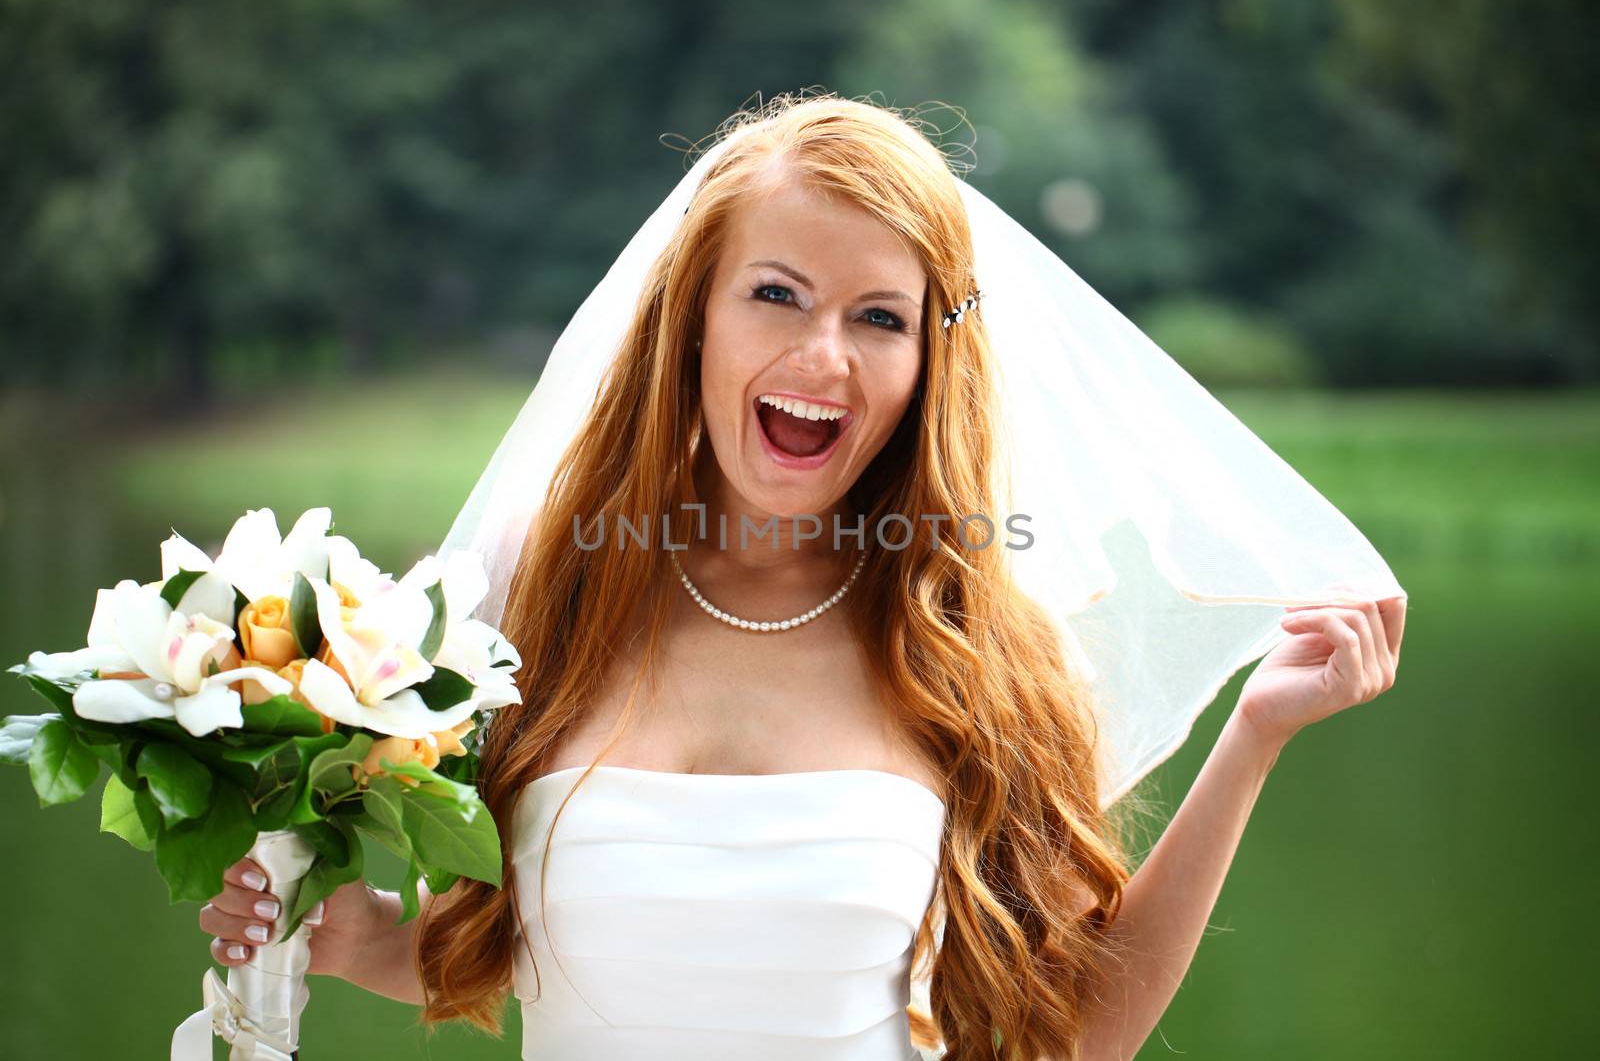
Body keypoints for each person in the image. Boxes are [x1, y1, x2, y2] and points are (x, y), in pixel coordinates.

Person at [196, 93, 1406, 1061]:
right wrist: (360, 938)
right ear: (696, 318)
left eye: (879, 316)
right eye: (775, 294)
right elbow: (536, 946)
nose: (820, 356)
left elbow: (1074, 1033)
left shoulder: (973, 638)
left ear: (926, 362)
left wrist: (1253, 737)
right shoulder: (539, 592)